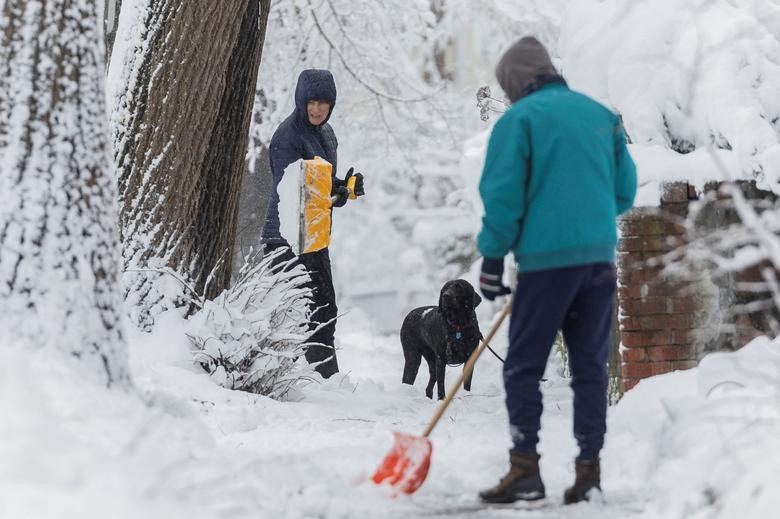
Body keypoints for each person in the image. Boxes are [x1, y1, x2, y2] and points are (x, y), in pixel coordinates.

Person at [475, 37, 637, 504]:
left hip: (547, 267)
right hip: (598, 263)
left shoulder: (519, 120)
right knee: (589, 368)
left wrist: (492, 258)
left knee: (523, 368)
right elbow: (624, 192)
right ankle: (589, 474)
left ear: (517, 82)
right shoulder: (601, 116)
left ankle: (525, 469)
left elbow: (503, 196)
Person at [262, 69, 364, 379]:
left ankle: (319, 377)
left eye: (324, 103)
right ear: (301, 101)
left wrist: (343, 188)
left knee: (323, 308)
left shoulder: (326, 133)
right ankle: (313, 379)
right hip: (287, 239)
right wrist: (331, 192)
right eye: (312, 102)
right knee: (301, 311)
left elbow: (319, 178)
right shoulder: (287, 136)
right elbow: (294, 188)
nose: (317, 109)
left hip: (314, 235)